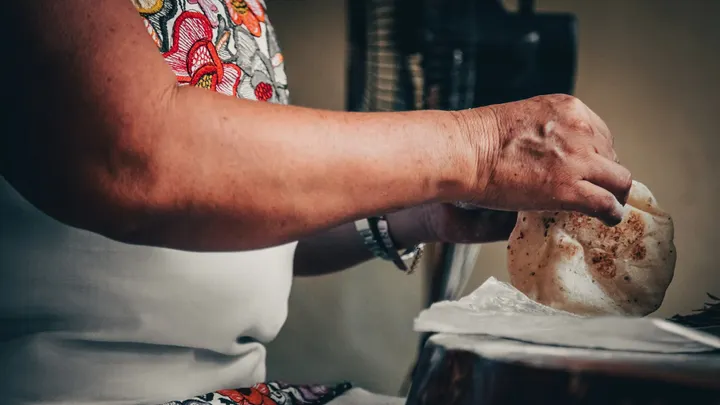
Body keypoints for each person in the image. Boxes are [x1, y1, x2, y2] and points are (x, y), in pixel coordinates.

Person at [0, 1, 632, 404]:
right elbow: (133, 160)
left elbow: (229, 206)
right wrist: (480, 146)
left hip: (234, 391)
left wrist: (409, 218)